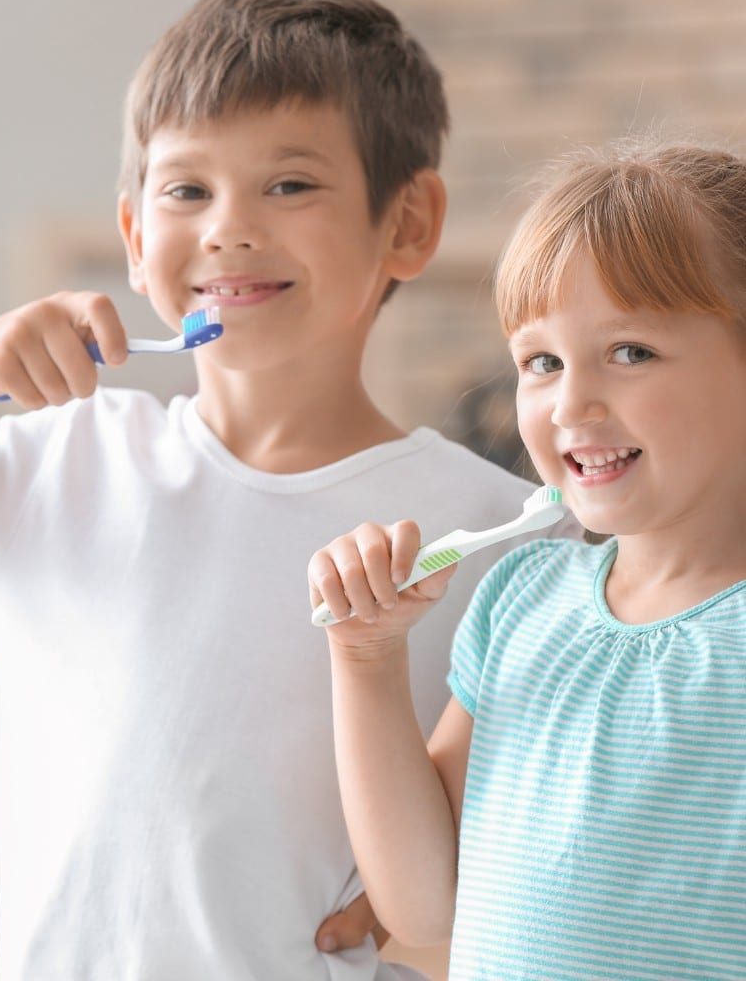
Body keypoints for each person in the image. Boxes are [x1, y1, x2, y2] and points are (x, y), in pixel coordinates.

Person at [0, 0, 574, 977]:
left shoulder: (494, 533)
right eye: (188, 191)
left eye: (289, 185)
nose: (228, 228)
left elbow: (516, 861)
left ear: (406, 223)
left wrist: (429, 918)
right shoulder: (65, 462)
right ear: (136, 237)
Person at [309, 136, 746, 980]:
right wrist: (365, 660)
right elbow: (425, 904)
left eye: (631, 352)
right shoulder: (520, 598)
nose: (571, 402)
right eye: (541, 362)